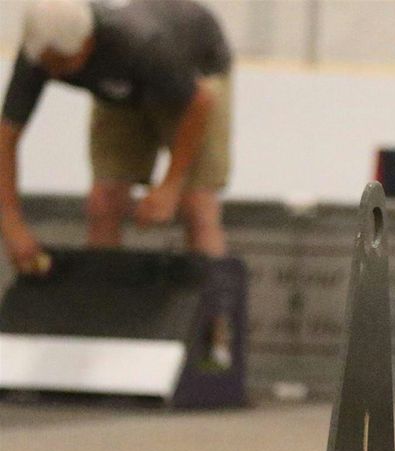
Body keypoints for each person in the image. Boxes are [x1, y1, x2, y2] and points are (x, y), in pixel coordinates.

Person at [1, 0, 233, 273]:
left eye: (62, 63)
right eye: (47, 65)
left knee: (197, 204)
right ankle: (100, 304)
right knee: (104, 201)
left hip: (194, 80)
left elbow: (199, 101)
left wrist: (170, 185)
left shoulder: (140, 43)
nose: (52, 72)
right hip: (119, 92)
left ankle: (215, 309)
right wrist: (11, 225)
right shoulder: (38, 54)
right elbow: (6, 137)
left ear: (87, 42)